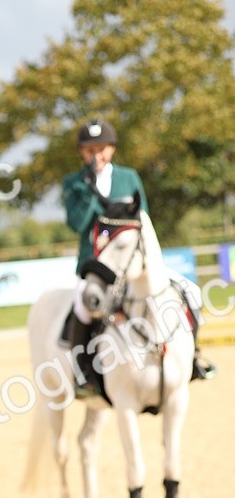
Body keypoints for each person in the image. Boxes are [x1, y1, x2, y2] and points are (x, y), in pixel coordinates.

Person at [62, 118, 215, 397]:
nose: (96, 154)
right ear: (81, 153)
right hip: (96, 266)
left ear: (112, 149)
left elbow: (142, 217)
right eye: (89, 149)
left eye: (101, 148)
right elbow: (77, 223)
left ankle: (193, 358)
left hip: (132, 262)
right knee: (84, 307)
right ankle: (83, 376)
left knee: (189, 291)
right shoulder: (74, 184)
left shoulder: (128, 177)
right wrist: (90, 188)